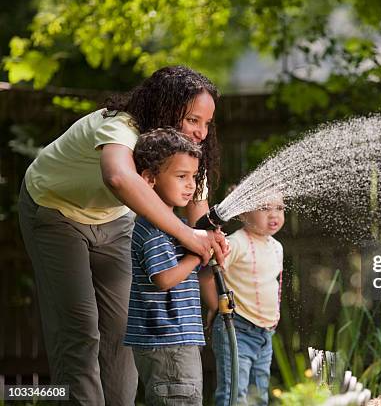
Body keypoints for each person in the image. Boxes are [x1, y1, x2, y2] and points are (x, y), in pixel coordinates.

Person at [18, 65, 227, 405]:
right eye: (192, 120)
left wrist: (211, 241)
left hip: (114, 221)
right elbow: (118, 177)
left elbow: (199, 218)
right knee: (80, 330)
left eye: (207, 123)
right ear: (165, 108)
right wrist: (189, 238)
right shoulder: (120, 125)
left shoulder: (184, 155)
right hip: (54, 211)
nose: (201, 132)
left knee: (122, 330)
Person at [125, 128, 213, 405]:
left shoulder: (174, 227)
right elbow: (163, 279)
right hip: (168, 340)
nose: (191, 185)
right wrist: (195, 257)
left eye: (194, 177)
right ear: (150, 179)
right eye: (181, 176)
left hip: (170, 339)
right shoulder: (154, 230)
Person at [204, 196, 285, 406]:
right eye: (265, 207)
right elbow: (207, 274)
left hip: (265, 332)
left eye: (279, 208)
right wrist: (217, 306)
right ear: (242, 214)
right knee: (234, 394)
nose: (274, 214)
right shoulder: (236, 243)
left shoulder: (277, 247)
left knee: (259, 395)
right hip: (238, 329)